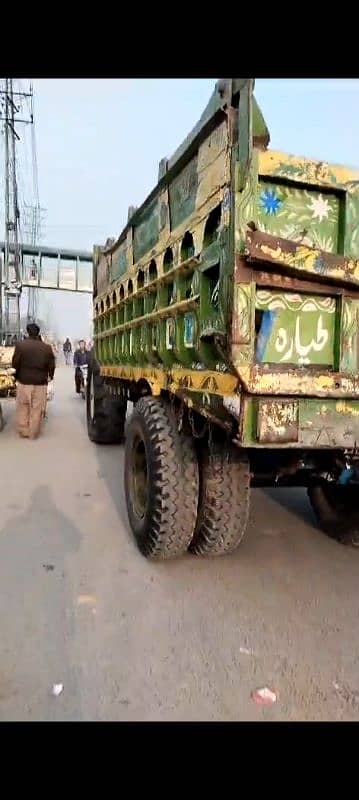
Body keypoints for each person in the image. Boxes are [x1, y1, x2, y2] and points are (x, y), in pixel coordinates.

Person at [12, 322, 55, 439]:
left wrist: (16, 375)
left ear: (27, 332)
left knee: (23, 406)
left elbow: (15, 363)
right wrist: (50, 375)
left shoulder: (21, 346)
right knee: (37, 408)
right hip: (40, 383)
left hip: (24, 381)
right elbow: (51, 364)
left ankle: (23, 430)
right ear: (38, 333)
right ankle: (33, 432)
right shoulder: (46, 348)